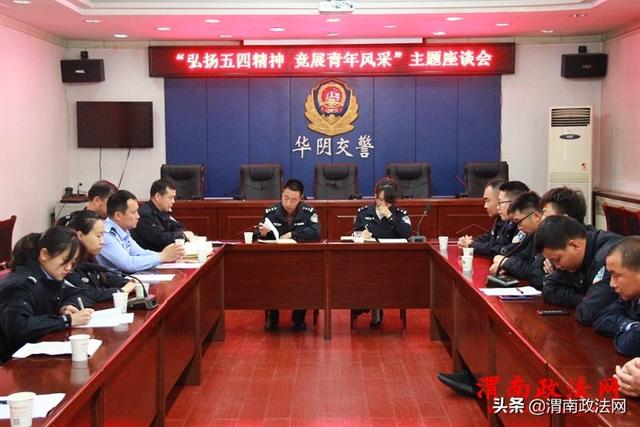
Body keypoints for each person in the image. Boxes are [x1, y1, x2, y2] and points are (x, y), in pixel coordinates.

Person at [0, 227, 94, 363]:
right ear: (44, 255)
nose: (69, 268)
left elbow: (82, 292)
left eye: (72, 263)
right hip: (14, 362)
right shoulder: (20, 284)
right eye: (65, 260)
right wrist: (67, 320)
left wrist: (67, 305)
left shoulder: (49, 276)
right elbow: (19, 327)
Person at [256, 179, 321, 331]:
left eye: (293, 200)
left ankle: (299, 317)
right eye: (285, 198)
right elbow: (262, 236)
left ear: (301, 198)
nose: (288, 203)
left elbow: (316, 232)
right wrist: (263, 234)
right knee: (269, 277)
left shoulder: (309, 212)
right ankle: (273, 315)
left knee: (307, 278)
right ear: (282, 194)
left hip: (302, 261)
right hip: (276, 261)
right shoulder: (270, 212)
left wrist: (292, 234)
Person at [533, 215, 622, 326]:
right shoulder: (571, 259)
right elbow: (549, 289)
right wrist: (584, 299)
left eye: (557, 260)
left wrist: (588, 301)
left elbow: (588, 313)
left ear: (574, 245)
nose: (557, 266)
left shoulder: (610, 257)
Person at [352, 178, 411, 327]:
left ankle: (367, 306)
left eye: (387, 201)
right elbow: (355, 234)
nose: (382, 204)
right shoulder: (363, 212)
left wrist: (390, 216)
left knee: (377, 276)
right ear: (375, 196)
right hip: (367, 261)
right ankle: (370, 306)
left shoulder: (400, 214)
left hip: (392, 263)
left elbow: (406, 234)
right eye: (379, 199)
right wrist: (361, 235)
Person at [96, 190, 185, 274]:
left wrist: (165, 255)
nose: (138, 216)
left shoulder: (123, 230)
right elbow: (129, 264)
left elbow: (139, 253)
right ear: (118, 215)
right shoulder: (105, 234)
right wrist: (162, 256)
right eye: (133, 212)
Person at [66, 210, 137, 302]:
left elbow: (107, 278)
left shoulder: (90, 259)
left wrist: (130, 283)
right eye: (99, 236)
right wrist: (122, 291)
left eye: (103, 236)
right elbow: (87, 294)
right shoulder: (69, 264)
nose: (102, 242)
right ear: (80, 235)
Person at [593, 236, 640, 356]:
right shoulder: (632, 296)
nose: (611, 284)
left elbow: (629, 345)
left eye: (616, 275)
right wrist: (632, 326)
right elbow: (602, 319)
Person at [489, 191, 545, 289]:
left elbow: (535, 274)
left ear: (536, 216)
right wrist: (507, 267)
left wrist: (506, 262)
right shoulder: (532, 235)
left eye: (519, 222)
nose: (519, 228)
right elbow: (521, 256)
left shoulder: (548, 238)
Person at [538, 186, 590, 276]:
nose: (541, 219)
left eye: (545, 215)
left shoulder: (590, 247)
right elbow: (535, 272)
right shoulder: (550, 240)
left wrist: (555, 274)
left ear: (564, 219)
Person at [131, 179, 194, 252]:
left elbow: (179, 227)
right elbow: (162, 240)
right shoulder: (144, 215)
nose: (173, 201)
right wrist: (183, 235)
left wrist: (180, 234)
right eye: (170, 198)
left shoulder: (162, 212)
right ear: (158, 196)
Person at [457, 180, 506, 256]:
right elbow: (488, 237)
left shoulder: (511, 222)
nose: (485, 206)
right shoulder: (499, 218)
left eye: (487, 201)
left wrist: (471, 244)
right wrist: (470, 241)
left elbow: (496, 248)